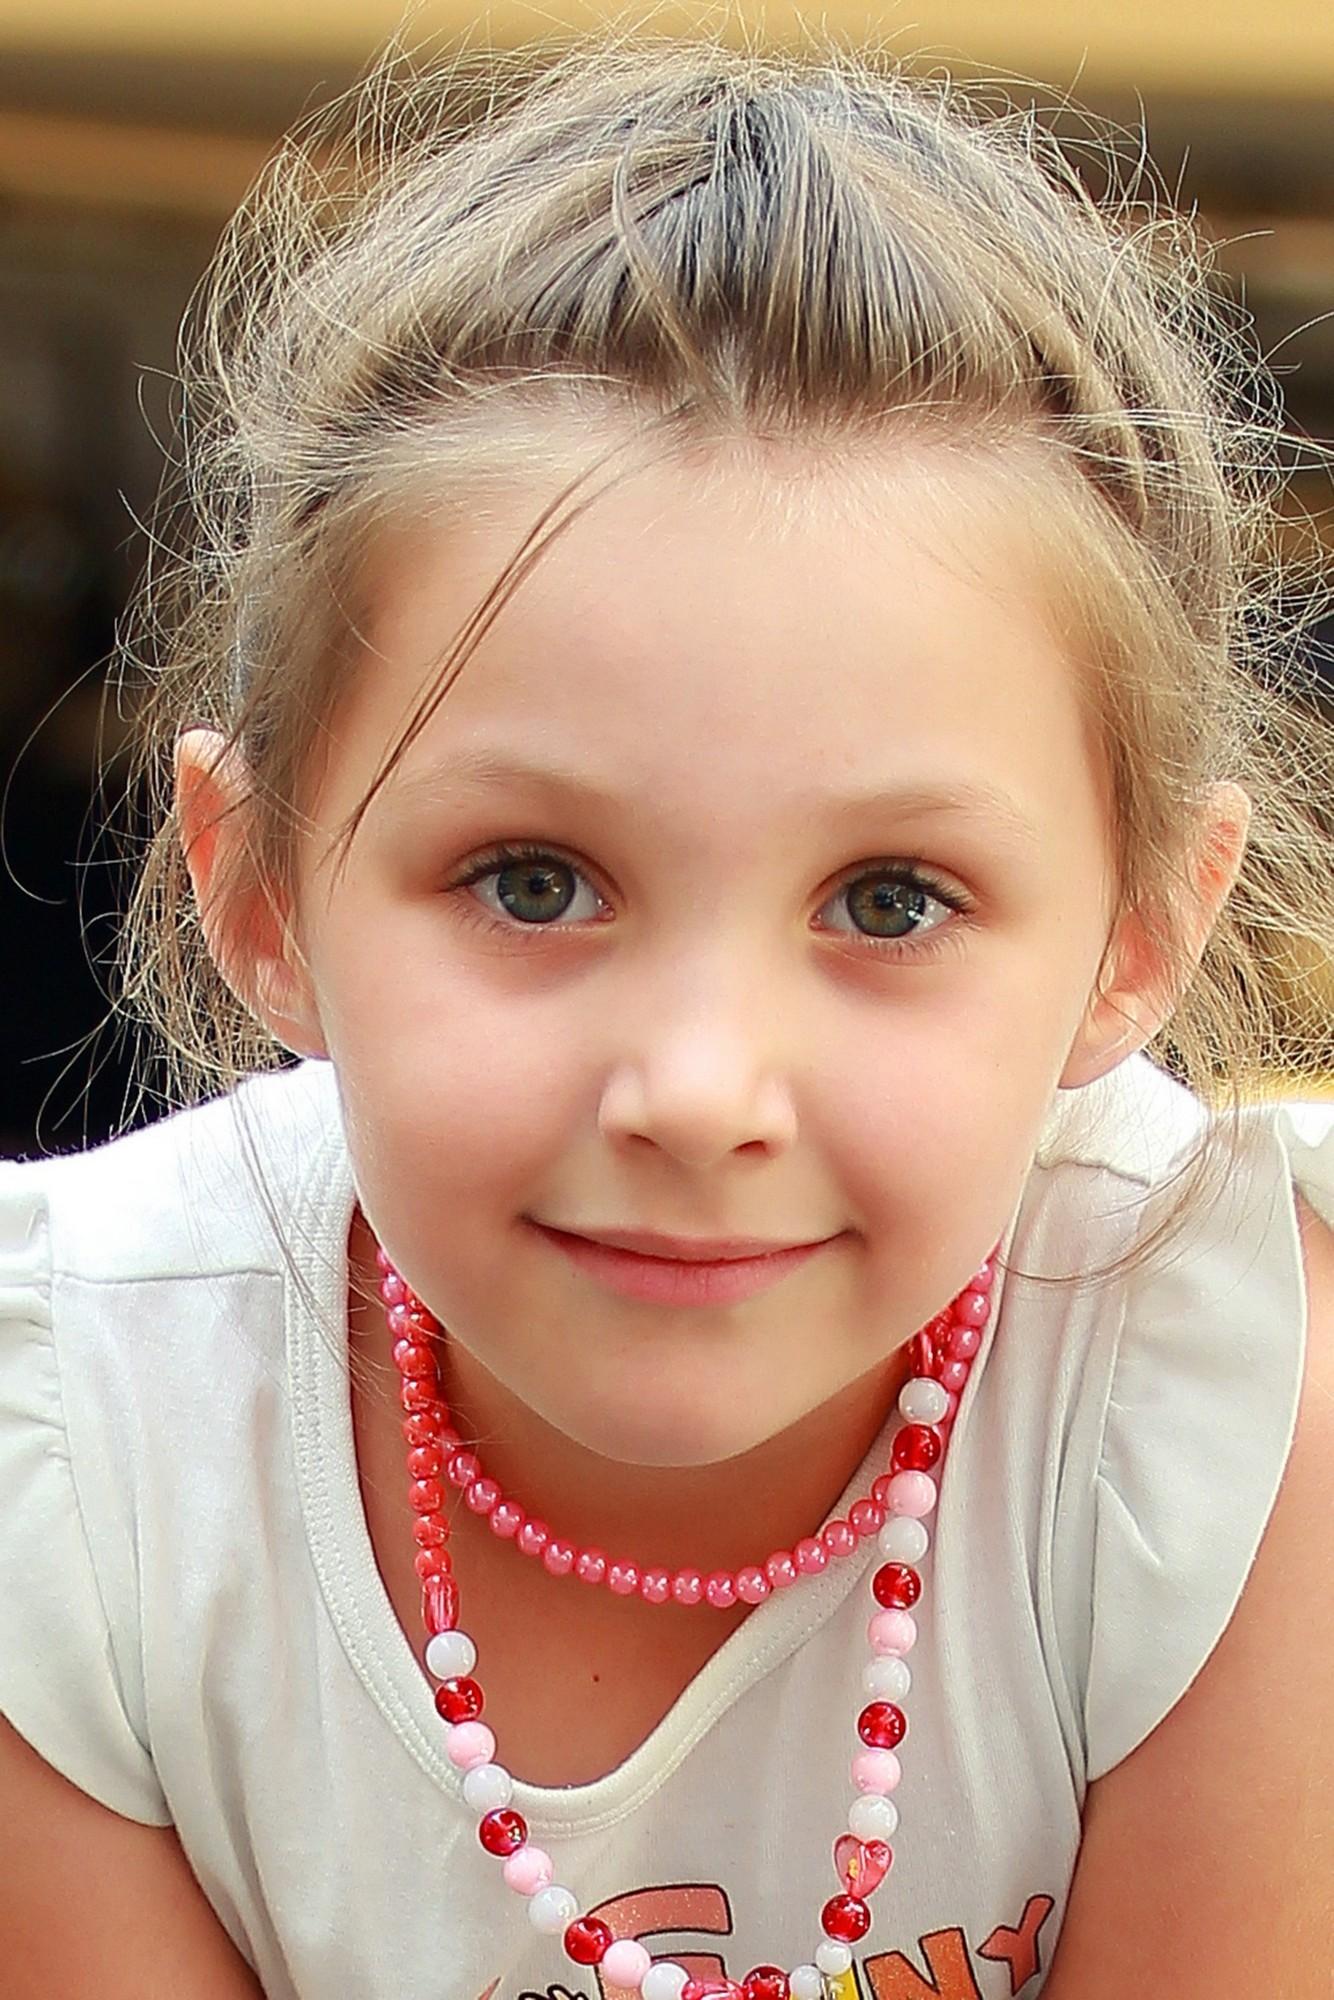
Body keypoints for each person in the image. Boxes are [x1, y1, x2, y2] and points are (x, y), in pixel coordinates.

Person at [1, 30, 1332, 2000]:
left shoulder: (1223, 1389)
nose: (700, 1090)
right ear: (259, 889)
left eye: (890, 902)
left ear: (1136, 940)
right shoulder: (73, 1445)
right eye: (532, 883)